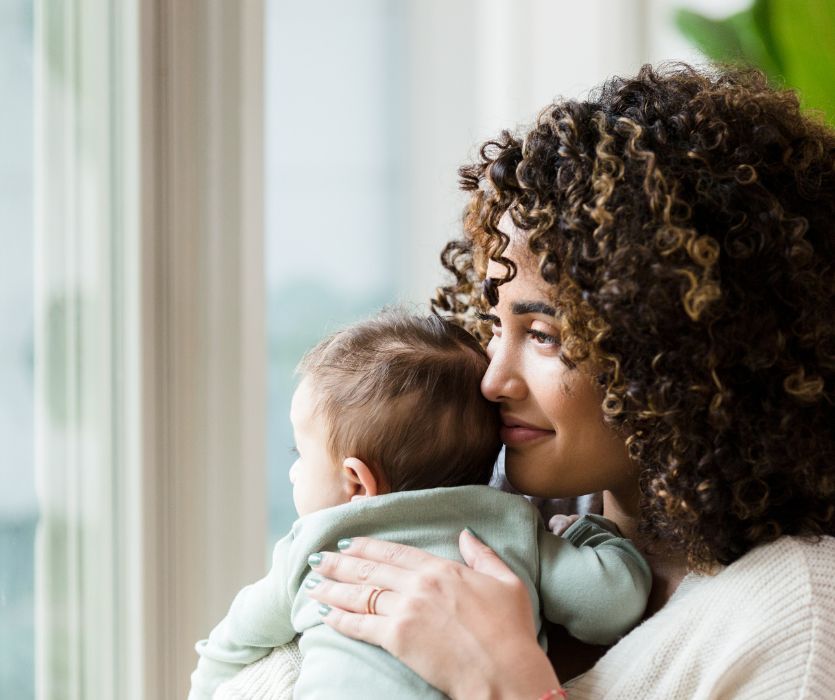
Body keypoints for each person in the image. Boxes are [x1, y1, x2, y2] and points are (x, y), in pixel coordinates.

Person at [189, 311, 651, 700]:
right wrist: (589, 533)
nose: (293, 472)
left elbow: (232, 642)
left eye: (300, 457)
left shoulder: (313, 544)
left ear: (357, 482)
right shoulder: (511, 527)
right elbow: (613, 604)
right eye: (493, 325)